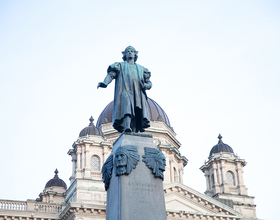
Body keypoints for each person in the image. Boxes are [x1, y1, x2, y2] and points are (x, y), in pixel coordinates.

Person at [97, 46, 152, 133]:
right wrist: (105, 83)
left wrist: (146, 85)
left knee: (137, 109)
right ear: (125, 54)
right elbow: (111, 75)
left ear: (135, 54)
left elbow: (149, 82)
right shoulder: (120, 65)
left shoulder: (142, 69)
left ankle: (135, 130)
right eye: (128, 51)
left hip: (138, 92)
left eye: (132, 51)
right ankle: (127, 127)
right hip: (125, 90)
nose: (130, 52)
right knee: (127, 106)